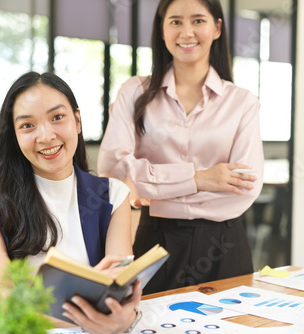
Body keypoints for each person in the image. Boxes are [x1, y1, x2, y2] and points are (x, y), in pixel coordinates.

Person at [97, 0, 264, 294]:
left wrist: (155, 190)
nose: (186, 32)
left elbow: (244, 187)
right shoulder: (134, 93)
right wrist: (201, 179)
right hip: (156, 241)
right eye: (175, 22)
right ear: (162, 30)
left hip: (224, 245)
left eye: (198, 20)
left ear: (217, 28)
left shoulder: (242, 102)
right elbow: (115, 171)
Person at [0, 72, 142, 333]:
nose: (46, 136)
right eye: (27, 126)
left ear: (77, 121)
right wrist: (93, 316)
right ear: (14, 135)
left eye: (57, 118)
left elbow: (121, 286)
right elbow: (1, 303)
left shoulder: (113, 195)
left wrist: (125, 316)